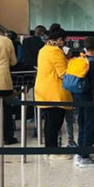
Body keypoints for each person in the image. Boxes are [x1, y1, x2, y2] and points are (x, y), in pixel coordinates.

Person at [34, 24, 73, 160]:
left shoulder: (44, 49)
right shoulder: (56, 51)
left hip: (44, 90)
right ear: (60, 39)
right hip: (54, 92)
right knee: (54, 123)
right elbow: (63, 72)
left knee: (50, 122)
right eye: (64, 40)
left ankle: (50, 149)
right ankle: (53, 151)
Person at [73, 36, 94, 168]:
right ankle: (85, 156)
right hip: (90, 98)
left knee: (81, 123)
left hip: (78, 96)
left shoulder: (80, 59)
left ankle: (80, 152)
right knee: (90, 124)